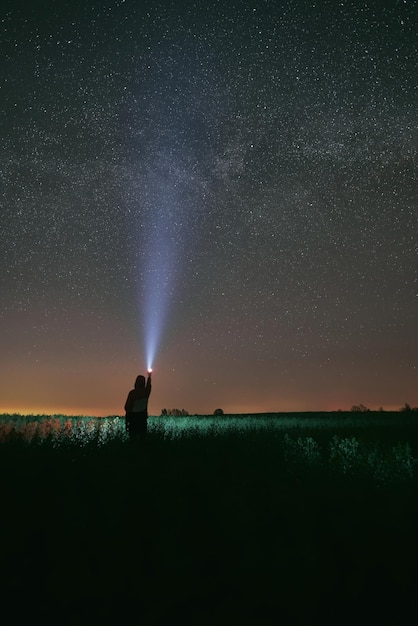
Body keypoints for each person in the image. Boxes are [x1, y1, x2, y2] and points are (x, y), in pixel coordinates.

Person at [124, 371, 152, 439]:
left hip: (133, 418)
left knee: (133, 438)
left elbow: (127, 407)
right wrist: (149, 377)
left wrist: (127, 421)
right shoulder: (146, 393)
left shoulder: (132, 393)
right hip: (142, 418)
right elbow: (148, 386)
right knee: (142, 439)